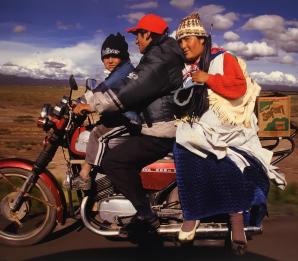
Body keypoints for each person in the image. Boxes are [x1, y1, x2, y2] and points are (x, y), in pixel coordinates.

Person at [173, 13, 282, 255]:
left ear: (202, 38)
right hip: (206, 123)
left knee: (216, 154)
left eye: (187, 39)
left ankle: (236, 219)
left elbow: (238, 88)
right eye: (180, 41)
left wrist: (208, 78)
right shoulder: (190, 67)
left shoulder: (223, 58)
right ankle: (194, 212)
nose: (183, 45)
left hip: (231, 124)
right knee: (183, 145)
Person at [75, 14, 184, 232]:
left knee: (114, 162)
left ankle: (145, 213)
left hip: (159, 132)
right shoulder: (159, 55)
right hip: (155, 126)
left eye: (138, 35)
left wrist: (94, 105)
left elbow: (128, 90)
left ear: (149, 34)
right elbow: (126, 85)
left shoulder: (158, 59)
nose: (136, 40)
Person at [68, 33, 140, 190]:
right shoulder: (123, 70)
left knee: (96, 134)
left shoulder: (123, 71)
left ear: (123, 56)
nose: (109, 60)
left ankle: (84, 176)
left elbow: (101, 90)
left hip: (130, 119)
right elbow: (103, 92)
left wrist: (81, 103)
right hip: (124, 115)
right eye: (106, 57)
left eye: (114, 56)